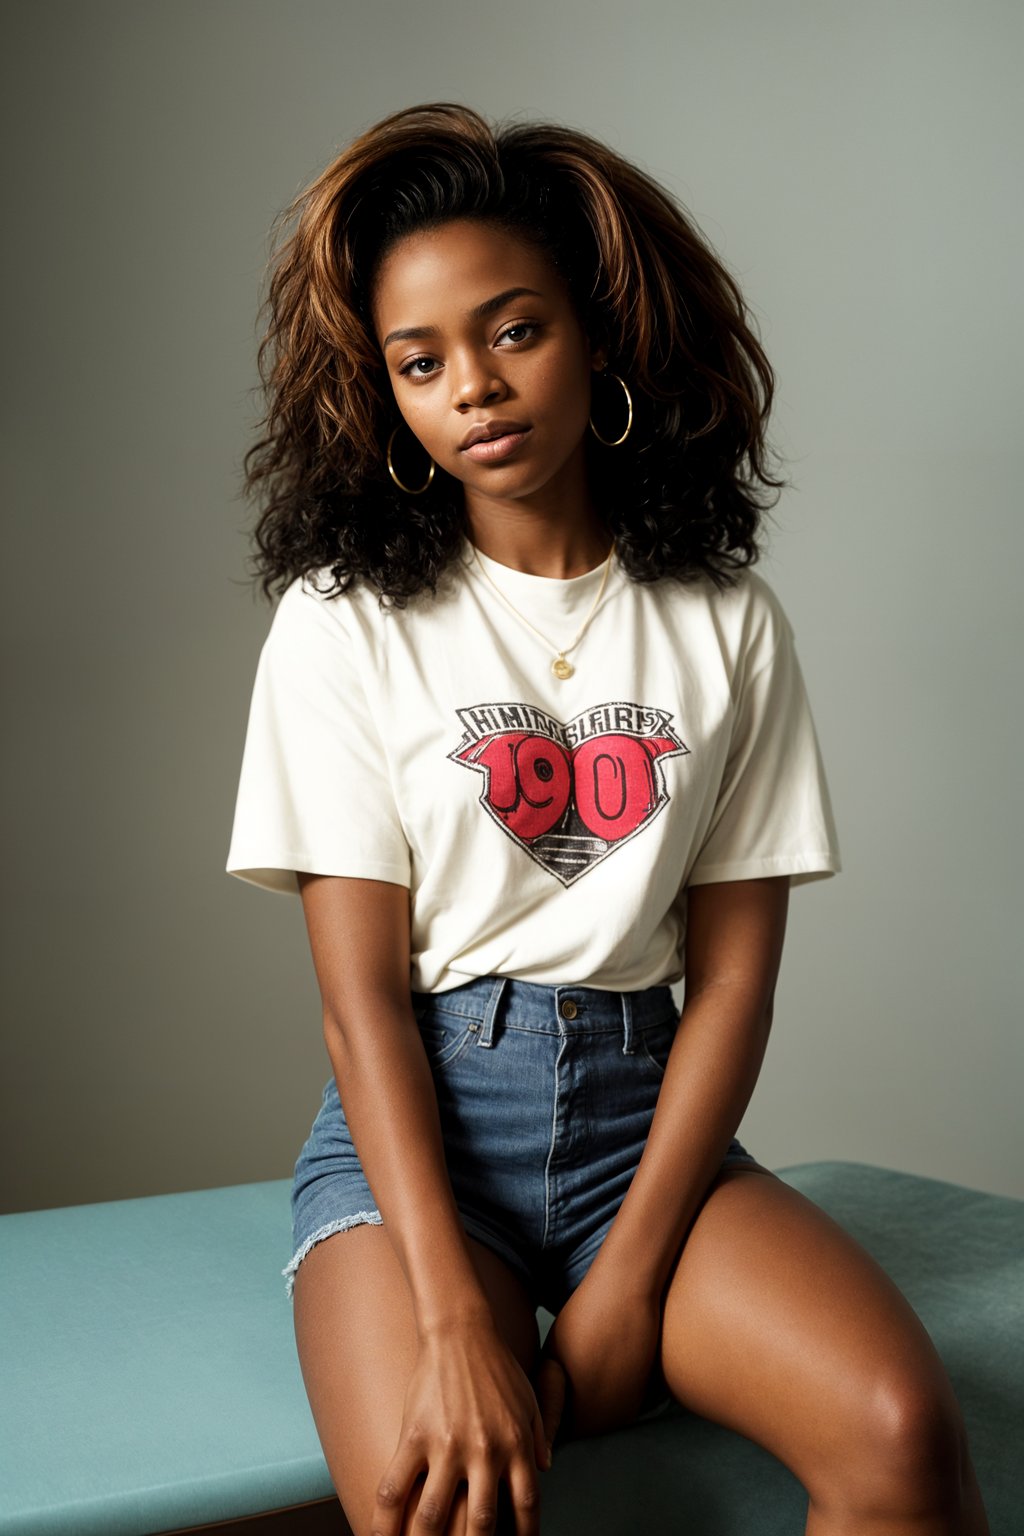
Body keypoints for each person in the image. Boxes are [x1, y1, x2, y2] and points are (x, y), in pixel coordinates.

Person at [226, 103, 988, 1536]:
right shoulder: (341, 627)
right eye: (422, 361)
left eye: (513, 331)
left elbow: (737, 980)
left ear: (598, 338)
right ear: (385, 394)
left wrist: (632, 1274)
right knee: (439, 1497)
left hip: (651, 1120)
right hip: (426, 1132)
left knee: (902, 1433)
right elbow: (360, 1004)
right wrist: (457, 1317)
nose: (476, 388)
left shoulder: (724, 622)